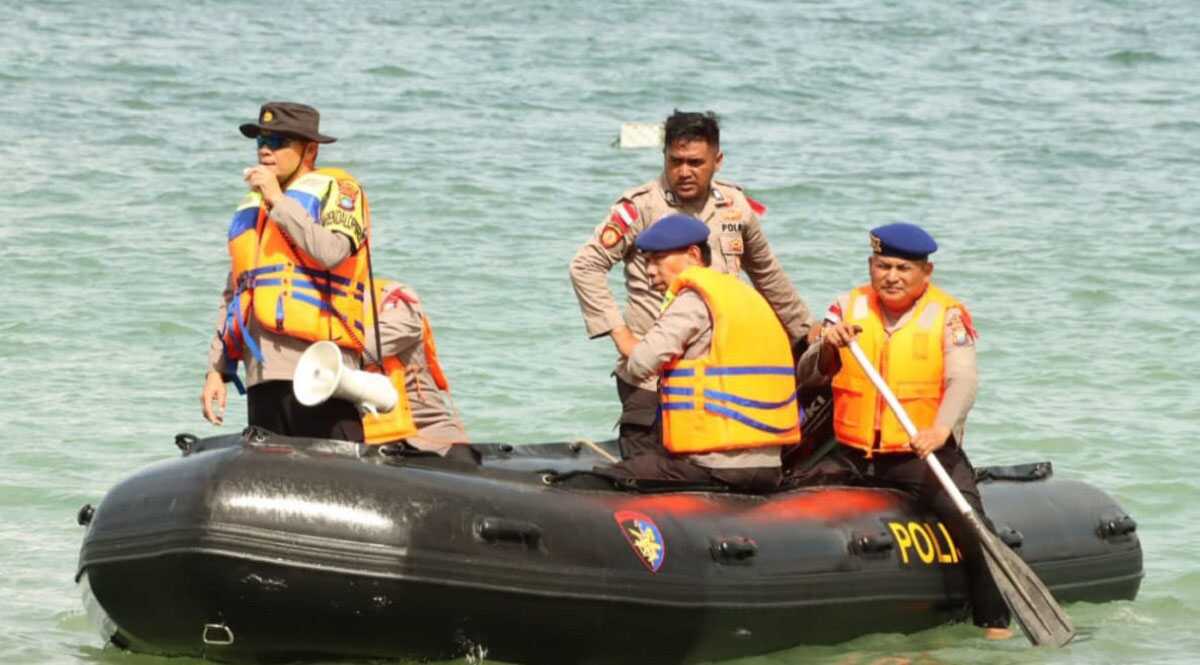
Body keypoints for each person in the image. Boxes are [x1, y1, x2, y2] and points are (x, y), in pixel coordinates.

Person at [794, 222, 1013, 639]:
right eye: (882, 266)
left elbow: (963, 381)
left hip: (921, 452)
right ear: (870, 265)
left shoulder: (947, 315)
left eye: (902, 268)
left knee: (969, 522)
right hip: (851, 453)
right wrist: (827, 348)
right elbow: (808, 376)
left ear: (925, 273)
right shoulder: (845, 307)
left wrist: (940, 429)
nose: (891, 277)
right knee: (792, 495)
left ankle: (994, 620)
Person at [570, 110, 812, 460]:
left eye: (695, 162)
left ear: (718, 160)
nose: (684, 171)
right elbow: (585, 266)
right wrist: (619, 334)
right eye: (675, 161)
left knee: (713, 468)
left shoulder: (735, 207)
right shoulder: (640, 207)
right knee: (649, 467)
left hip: (717, 375)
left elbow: (767, 275)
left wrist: (806, 332)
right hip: (653, 374)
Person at [200, 101, 372, 442]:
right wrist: (217, 369)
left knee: (331, 478)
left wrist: (278, 200)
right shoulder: (252, 207)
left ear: (309, 150)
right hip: (262, 375)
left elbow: (332, 252)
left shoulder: (339, 191)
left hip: (323, 370)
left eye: (278, 142)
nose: (265, 150)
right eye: (261, 141)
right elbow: (236, 292)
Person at [598, 214, 801, 492]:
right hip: (768, 467)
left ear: (693, 254)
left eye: (657, 259)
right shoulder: (747, 296)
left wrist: (630, 343)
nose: (649, 270)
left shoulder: (693, 300)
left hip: (713, 465)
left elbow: (640, 363)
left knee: (605, 479)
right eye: (646, 261)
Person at [360, 278, 476, 464]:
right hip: (364, 442)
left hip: (425, 437)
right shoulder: (319, 309)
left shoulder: (392, 299)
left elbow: (362, 350)